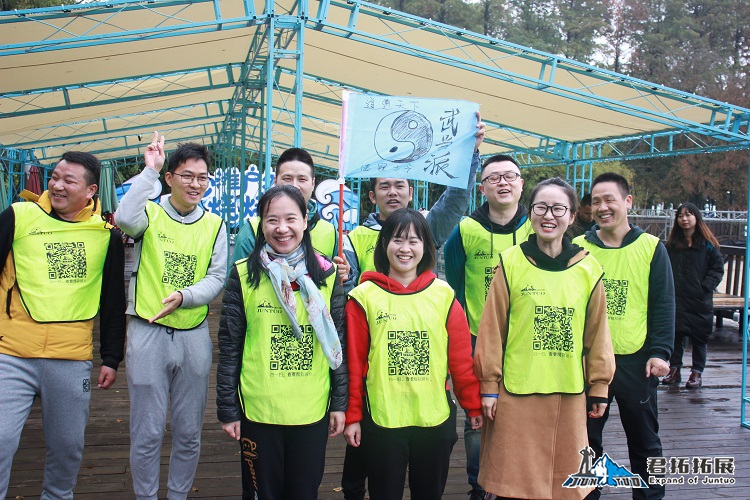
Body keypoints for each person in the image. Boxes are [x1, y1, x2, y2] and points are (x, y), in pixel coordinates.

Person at [339, 114, 485, 500]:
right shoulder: (361, 284)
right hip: (381, 415)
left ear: (426, 246)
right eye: (396, 241)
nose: (405, 247)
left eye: (413, 242)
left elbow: (460, 360)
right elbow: (357, 361)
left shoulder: (442, 291)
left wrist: (469, 154)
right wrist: (353, 413)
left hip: (433, 418)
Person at [474, 177, 615, 499]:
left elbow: (598, 334)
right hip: (516, 393)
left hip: (569, 394)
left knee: (564, 484)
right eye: (541, 207)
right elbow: (492, 330)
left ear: (572, 215)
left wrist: (600, 386)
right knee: (515, 485)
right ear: (531, 212)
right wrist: (489, 386)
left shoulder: (588, 268)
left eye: (557, 208)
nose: (548, 216)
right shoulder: (510, 263)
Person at [0, 151, 126, 499]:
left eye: (68, 181)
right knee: (1, 439)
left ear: (90, 190)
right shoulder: (18, 215)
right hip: (10, 351)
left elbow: (114, 302)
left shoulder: (106, 235)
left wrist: (111, 357)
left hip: (70, 358)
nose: (56, 185)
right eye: (55, 177)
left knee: (67, 448)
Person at [115, 132, 227, 499]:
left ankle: (177, 495)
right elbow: (124, 218)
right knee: (146, 431)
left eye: (202, 177)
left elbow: (217, 277)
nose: (195, 184)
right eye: (187, 176)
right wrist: (148, 171)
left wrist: (186, 296)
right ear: (170, 178)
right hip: (148, 330)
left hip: (193, 333)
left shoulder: (215, 224)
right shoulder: (150, 212)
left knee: (189, 430)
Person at [217, 185, 347, 499]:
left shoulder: (328, 276)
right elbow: (230, 346)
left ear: (305, 221)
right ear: (261, 225)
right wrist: (228, 409)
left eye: (291, 218)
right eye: (272, 220)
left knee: (304, 493)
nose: (282, 228)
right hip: (259, 409)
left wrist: (340, 404)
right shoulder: (244, 274)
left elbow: (338, 344)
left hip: (311, 408)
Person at [573, 172, 674, 500]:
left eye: (609, 200)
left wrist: (661, 351)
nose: (602, 207)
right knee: (587, 441)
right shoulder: (579, 248)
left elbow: (663, 303)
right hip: (588, 363)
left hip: (637, 360)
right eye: (596, 201)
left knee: (645, 441)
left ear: (628, 202)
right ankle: (588, 494)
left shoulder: (651, 248)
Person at [443, 153, 533, 500]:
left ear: (521, 183)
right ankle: (478, 484)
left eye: (510, 175)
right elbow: (454, 280)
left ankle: (516, 479)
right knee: (477, 416)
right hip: (477, 338)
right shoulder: (465, 229)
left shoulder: (535, 225)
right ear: (482, 187)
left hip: (524, 337)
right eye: (494, 177)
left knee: (522, 411)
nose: (503, 182)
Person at [230, 147, 349, 281]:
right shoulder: (251, 231)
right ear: (275, 181)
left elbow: (335, 284)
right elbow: (236, 284)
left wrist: (343, 275)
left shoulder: (330, 232)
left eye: (302, 179)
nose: (294, 186)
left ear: (313, 183)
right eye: (287, 178)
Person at [662, 203, 724, 388]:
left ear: (696, 218)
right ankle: (674, 369)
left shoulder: (708, 245)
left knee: (699, 337)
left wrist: (705, 287)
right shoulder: (672, 245)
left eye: (688, 215)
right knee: (676, 335)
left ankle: (697, 372)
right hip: (677, 298)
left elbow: (717, 269)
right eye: (680, 216)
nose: (684, 219)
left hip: (699, 299)